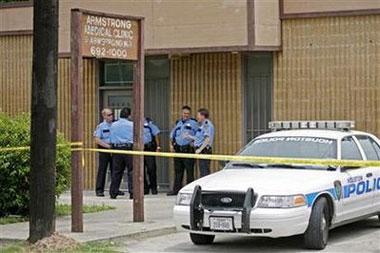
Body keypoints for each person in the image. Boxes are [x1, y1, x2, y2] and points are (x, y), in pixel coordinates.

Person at [167, 105, 198, 196]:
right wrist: (171, 145)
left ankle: (189, 191)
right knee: (178, 172)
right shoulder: (178, 123)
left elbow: (199, 136)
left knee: (189, 172)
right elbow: (172, 135)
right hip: (178, 150)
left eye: (188, 113)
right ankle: (176, 190)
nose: (186, 115)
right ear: (181, 113)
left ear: (190, 114)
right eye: (184, 113)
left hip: (188, 150)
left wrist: (194, 142)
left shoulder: (194, 123)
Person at [109, 107, 134, 199]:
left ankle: (113, 192)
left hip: (116, 150)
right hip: (128, 149)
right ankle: (133, 192)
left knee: (116, 172)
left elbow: (111, 138)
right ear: (129, 115)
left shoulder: (113, 125)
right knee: (131, 171)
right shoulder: (132, 125)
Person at [93, 108, 113, 197]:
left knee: (115, 170)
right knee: (102, 170)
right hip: (104, 150)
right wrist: (107, 146)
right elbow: (97, 140)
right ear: (104, 116)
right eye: (109, 115)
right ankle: (99, 190)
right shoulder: (101, 126)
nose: (111, 116)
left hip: (114, 149)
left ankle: (114, 189)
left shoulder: (115, 125)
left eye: (112, 114)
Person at [192, 108, 215, 177]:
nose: (197, 117)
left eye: (198, 115)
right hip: (201, 151)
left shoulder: (206, 124)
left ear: (203, 116)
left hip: (204, 151)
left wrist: (200, 149)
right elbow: (199, 138)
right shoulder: (202, 125)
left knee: (204, 172)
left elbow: (207, 139)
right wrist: (189, 137)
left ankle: (205, 187)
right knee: (202, 170)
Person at [143, 117, 161, 195]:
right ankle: (145, 188)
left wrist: (158, 146)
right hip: (139, 150)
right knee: (141, 171)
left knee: (151, 169)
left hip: (148, 149)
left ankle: (153, 187)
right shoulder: (134, 125)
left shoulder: (149, 125)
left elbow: (156, 134)